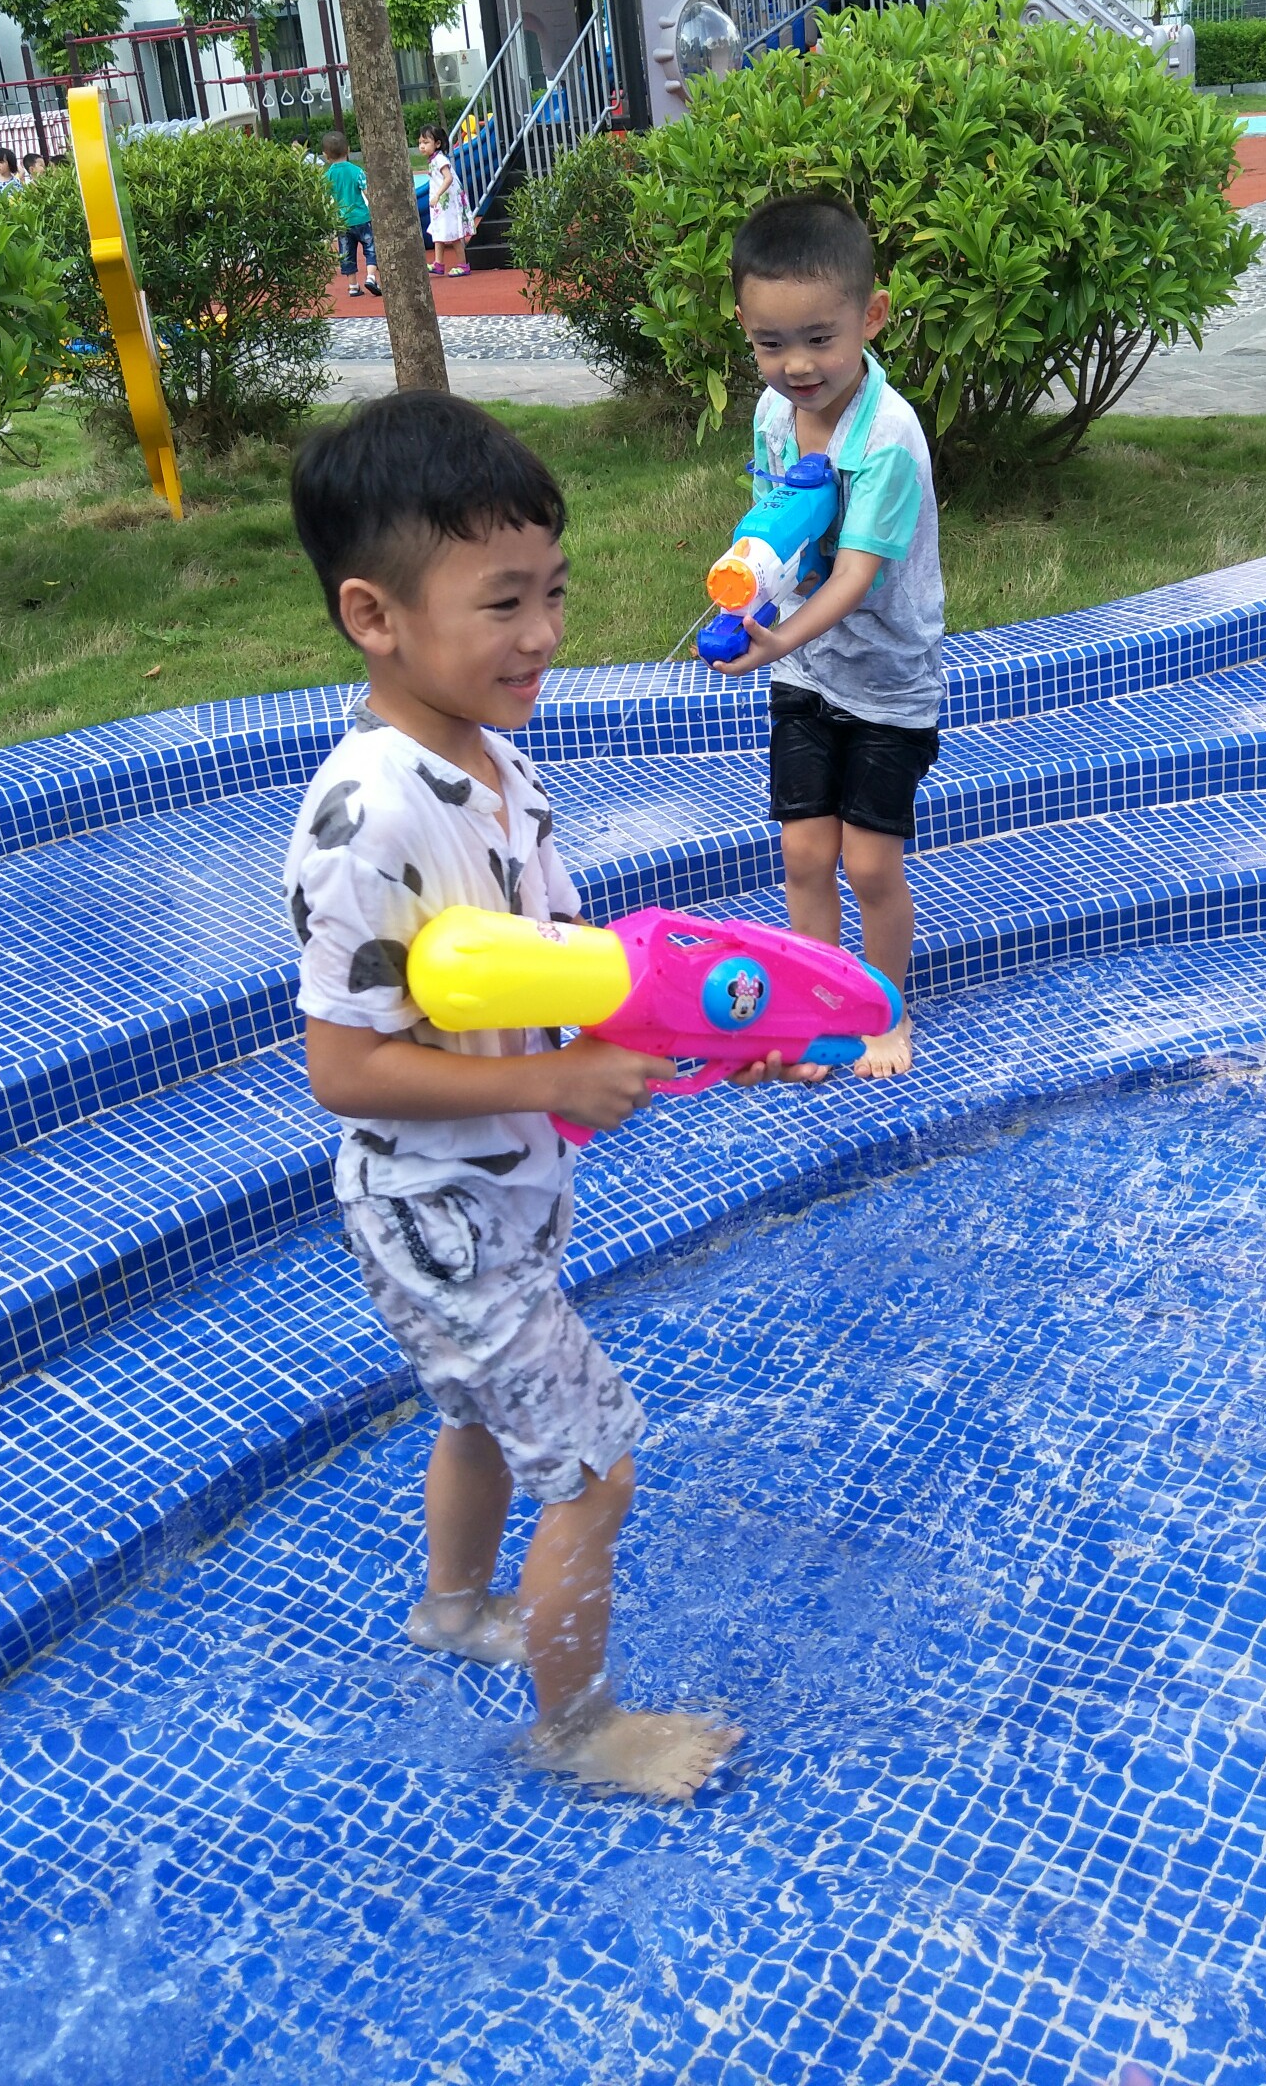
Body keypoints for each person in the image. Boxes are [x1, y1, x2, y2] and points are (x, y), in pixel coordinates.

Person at [285, 392, 818, 1798]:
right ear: (373, 616)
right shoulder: (368, 819)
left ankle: (455, 1607)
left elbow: (574, 970)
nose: (543, 634)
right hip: (439, 1208)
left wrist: (722, 1038)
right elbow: (343, 1068)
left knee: (476, 1410)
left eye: (556, 593)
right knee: (593, 1468)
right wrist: (562, 1076)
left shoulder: (493, 760)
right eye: (503, 602)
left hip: (504, 1186)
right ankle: (578, 1731)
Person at [708, 195, 945, 1081]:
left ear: (871, 317)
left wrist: (771, 643)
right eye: (771, 344)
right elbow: (780, 530)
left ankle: (884, 1014)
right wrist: (749, 592)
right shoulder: (775, 415)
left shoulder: (886, 439)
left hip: (886, 680)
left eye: (819, 339)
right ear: (745, 327)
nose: (797, 365)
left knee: (871, 864)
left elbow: (852, 577)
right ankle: (816, 1013)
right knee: (805, 852)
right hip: (809, 668)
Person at [321, 129, 381, 299]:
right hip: (362, 217)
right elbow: (367, 190)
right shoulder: (356, 171)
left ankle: (353, 286)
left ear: (325, 155)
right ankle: (371, 276)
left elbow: (323, 197)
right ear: (348, 150)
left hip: (342, 221)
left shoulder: (328, 176)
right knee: (371, 248)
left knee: (346, 253)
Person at [418, 124, 473, 277]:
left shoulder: (440, 159)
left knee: (453, 233)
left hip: (447, 203)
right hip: (441, 204)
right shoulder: (433, 160)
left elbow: (448, 178)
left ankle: (463, 265)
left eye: (426, 142)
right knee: (438, 230)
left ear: (437, 144)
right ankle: (438, 263)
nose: (422, 146)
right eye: (420, 143)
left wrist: (437, 195)